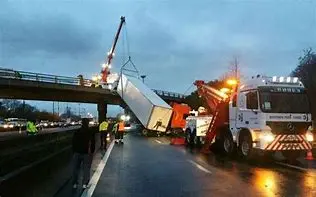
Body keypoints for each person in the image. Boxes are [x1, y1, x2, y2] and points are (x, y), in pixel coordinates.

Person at [72, 118, 96, 189]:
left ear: (81, 123)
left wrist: (74, 151)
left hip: (77, 152)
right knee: (86, 168)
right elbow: (93, 143)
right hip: (86, 153)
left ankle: (75, 183)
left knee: (76, 169)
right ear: (88, 123)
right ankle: (85, 184)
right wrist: (92, 151)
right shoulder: (90, 131)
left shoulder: (77, 131)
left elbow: (73, 142)